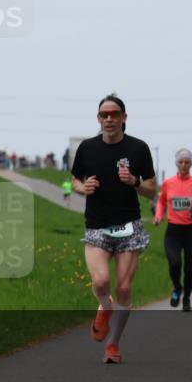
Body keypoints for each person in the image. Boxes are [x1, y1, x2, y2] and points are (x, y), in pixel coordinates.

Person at [71, 93, 156, 364]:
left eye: (114, 114)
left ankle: (113, 344)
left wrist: (133, 181)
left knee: (124, 288)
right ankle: (104, 308)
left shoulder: (138, 149)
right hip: (97, 225)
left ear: (124, 118)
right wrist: (83, 188)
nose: (109, 119)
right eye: (104, 115)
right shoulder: (87, 148)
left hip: (129, 227)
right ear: (99, 119)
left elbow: (152, 190)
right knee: (100, 282)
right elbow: (74, 179)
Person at [153, 149, 192, 312]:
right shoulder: (168, 183)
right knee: (174, 262)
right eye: (181, 162)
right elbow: (161, 202)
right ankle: (177, 287)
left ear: (191, 164)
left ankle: (187, 298)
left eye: (187, 162)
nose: (184, 165)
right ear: (176, 163)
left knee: (190, 268)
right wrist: (158, 215)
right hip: (173, 231)